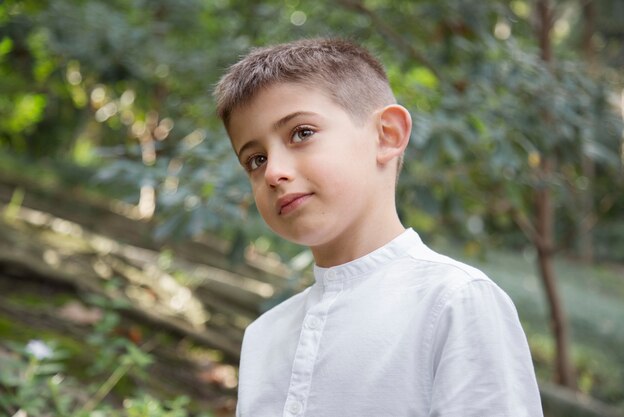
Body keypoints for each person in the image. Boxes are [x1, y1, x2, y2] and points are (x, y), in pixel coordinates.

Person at [214, 38, 543, 417]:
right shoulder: (264, 337)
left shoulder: (455, 301)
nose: (273, 172)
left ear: (387, 134)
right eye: (255, 159)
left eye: (301, 133)